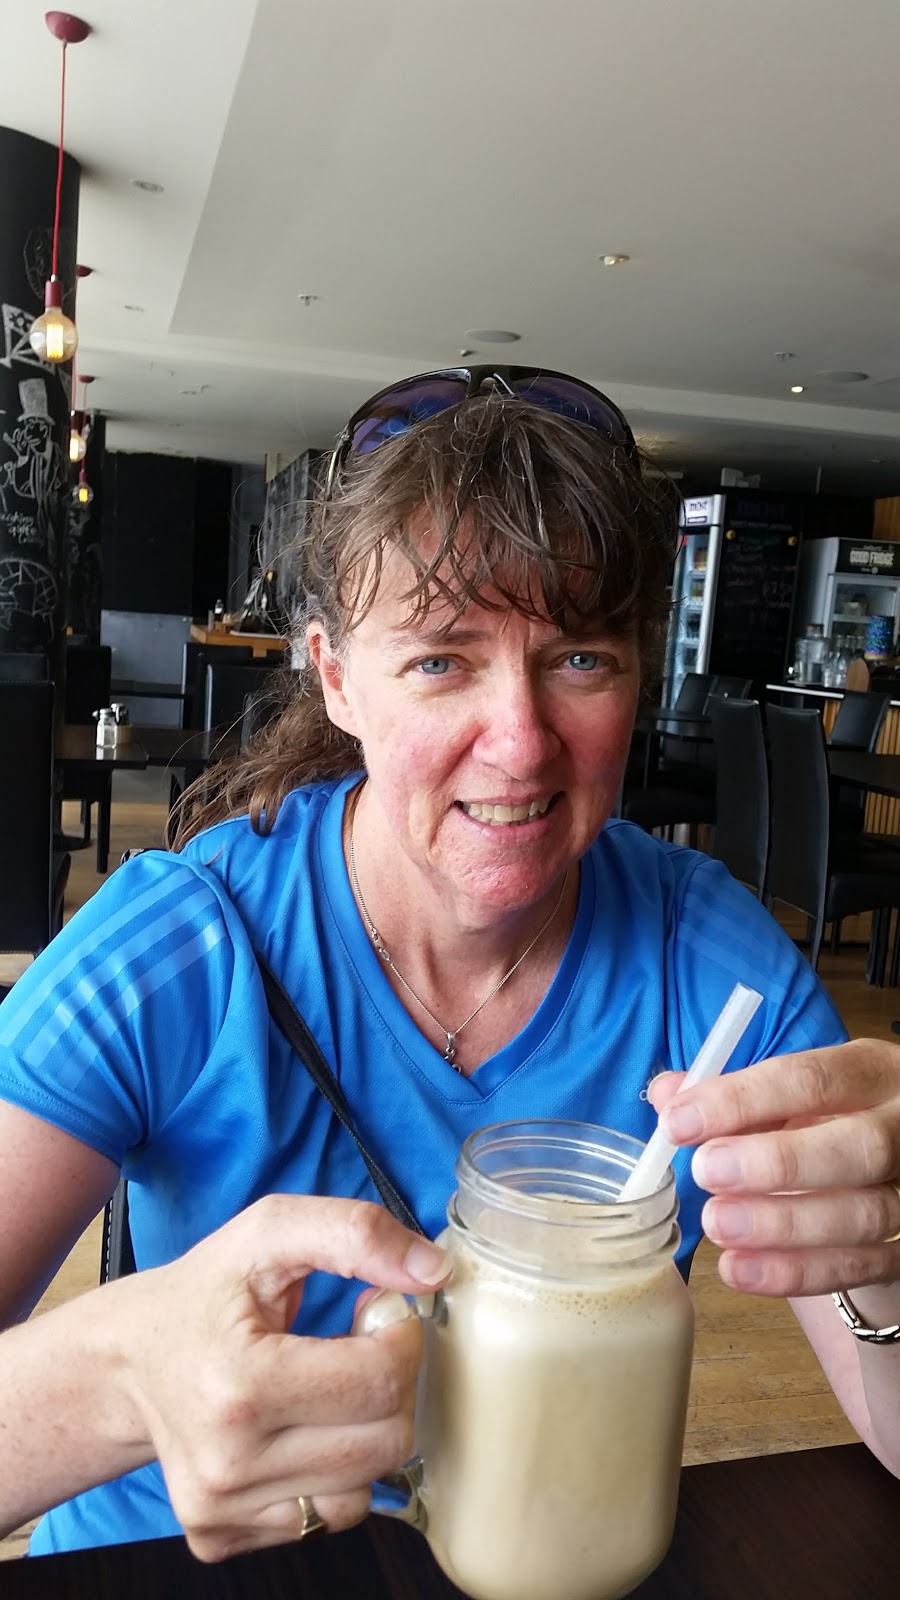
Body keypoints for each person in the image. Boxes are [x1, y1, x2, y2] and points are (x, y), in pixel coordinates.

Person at [2, 365, 900, 1564]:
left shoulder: (711, 962)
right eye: (440, 658)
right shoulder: (181, 944)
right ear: (336, 677)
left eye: (579, 658)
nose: (522, 743)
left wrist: (887, 1261)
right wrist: (117, 1387)